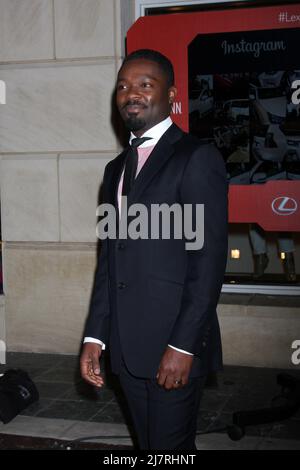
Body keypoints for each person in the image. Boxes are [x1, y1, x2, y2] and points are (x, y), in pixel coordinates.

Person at [80, 49, 228, 450]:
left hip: (172, 347)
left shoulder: (196, 158)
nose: (132, 93)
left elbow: (207, 263)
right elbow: (109, 261)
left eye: (146, 84)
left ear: (172, 95)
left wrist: (182, 346)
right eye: (124, 85)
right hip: (126, 349)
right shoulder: (114, 170)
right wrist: (96, 336)